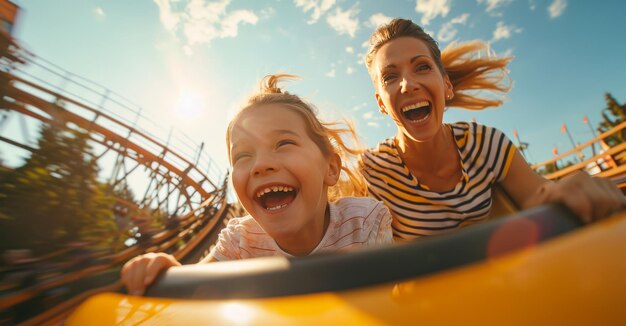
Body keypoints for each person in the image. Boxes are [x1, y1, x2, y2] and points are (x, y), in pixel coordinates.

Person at [122, 74, 393, 295]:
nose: (261, 165)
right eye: (242, 155)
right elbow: (196, 292)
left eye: (284, 143)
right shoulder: (241, 241)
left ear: (331, 168)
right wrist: (170, 272)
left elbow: (390, 296)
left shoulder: (365, 220)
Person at [360, 18, 625, 240]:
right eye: (390, 77)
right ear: (381, 102)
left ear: (447, 86)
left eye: (422, 67)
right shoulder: (372, 174)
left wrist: (569, 190)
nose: (408, 84)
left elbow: (538, 197)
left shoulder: (485, 143)